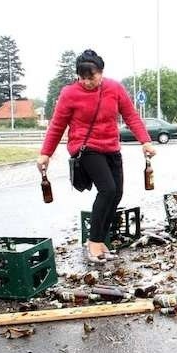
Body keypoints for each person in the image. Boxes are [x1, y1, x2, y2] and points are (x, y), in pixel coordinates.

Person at [37, 49, 156, 263]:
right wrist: (45, 153)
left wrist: (145, 141)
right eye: (82, 77)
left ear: (101, 72)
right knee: (107, 189)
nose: (86, 82)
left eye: (91, 77)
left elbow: (130, 116)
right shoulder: (69, 93)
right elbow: (57, 125)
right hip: (86, 148)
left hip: (111, 147)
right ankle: (93, 242)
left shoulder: (114, 88)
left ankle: (100, 241)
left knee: (117, 193)